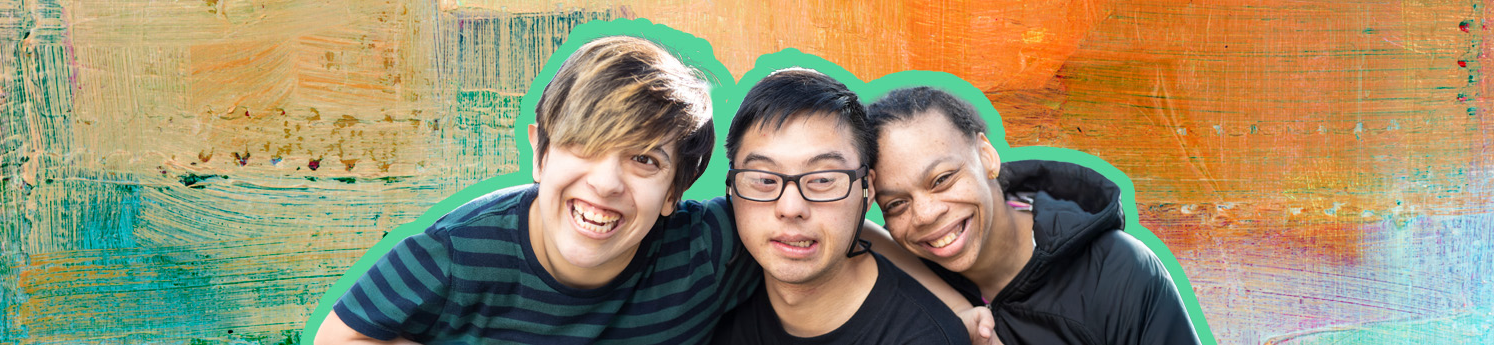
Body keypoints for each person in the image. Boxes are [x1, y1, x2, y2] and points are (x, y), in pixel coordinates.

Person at [313, 35, 761, 344]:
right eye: (582, 145)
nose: (605, 184)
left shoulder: (709, 248)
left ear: (673, 194)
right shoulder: (455, 253)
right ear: (539, 155)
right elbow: (338, 336)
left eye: (643, 159)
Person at [865, 86, 1202, 345]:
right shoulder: (902, 293)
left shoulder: (1117, 272)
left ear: (987, 156)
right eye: (896, 204)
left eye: (942, 179)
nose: (925, 214)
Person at [711, 69, 972, 344]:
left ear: (867, 191)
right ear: (732, 186)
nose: (790, 207)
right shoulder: (712, 305)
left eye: (823, 179)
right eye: (764, 179)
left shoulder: (924, 337)